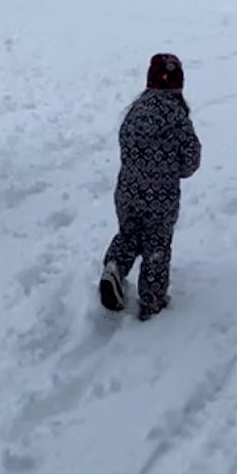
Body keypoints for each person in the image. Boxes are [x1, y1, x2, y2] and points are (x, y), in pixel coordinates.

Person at [99, 54, 201, 321]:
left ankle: (114, 267)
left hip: (127, 192)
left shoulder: (134, 112)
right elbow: (191, 160)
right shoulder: (178, 118)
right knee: (156, 245)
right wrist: (174, 169)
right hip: (161, 197)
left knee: (129, 234)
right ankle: (152, 300)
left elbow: (125, 146)